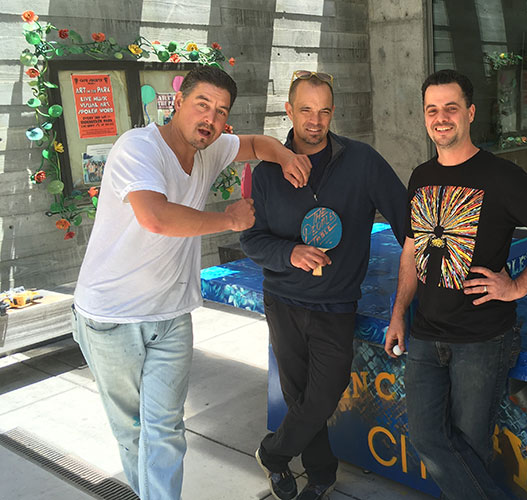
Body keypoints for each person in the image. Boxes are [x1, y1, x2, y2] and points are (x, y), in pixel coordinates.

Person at [72, 65, 312, 500]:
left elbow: (255, 144)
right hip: (110, 316)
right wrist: (228, 219)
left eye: (221, 112)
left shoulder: (211, 149)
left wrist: (285, 155)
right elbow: (156, 217)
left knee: (164, 430)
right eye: (203, 105)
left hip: (170, 315)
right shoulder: (137, 148)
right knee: (133, 432)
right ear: (177, 100)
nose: (211, 119)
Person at [383, 69, 527, 499]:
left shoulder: (500, 176)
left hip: (482, 339)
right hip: (425, 334)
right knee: (426, 438)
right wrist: (398, 313)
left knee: (470, 449)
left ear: (470, 113)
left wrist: (518, 287)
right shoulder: (419, 176)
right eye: (432, 110)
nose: (441, 118)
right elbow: (412, 250)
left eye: (451, 108)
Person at [241, 70, 407, 500]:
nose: (315, 121)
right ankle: (320, 475)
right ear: (289, 110)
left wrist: (440, 263)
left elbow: (407, 220)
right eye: (306, 110)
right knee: (299, 398)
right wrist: (290, 253)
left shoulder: (362, 161)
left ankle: (273, 454)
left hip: (335, 304)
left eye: (324, 111)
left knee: (322, 397)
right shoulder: (266, 173)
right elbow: (251, 239)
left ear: (333, 113)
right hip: (283, 300)